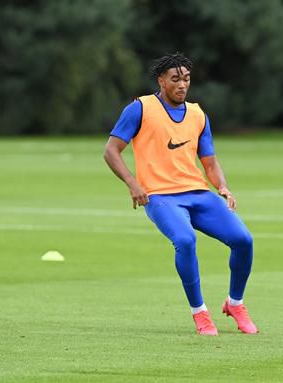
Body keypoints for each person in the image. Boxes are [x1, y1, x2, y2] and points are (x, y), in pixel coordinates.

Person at [103, 52, 257, 336]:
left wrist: (221, 186)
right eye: (175, 79)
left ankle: (235, 304)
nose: (182, 84)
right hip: (160, 196)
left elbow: (209, 161)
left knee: (244, 240)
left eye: (186, 79)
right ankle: (200, 313)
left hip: (198, 193)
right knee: (185, 240)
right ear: (161, 80)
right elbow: (111, 150)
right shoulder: (140, 108)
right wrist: (132, 183)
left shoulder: (198, 114)